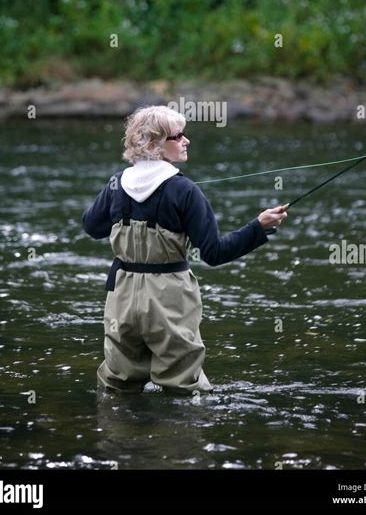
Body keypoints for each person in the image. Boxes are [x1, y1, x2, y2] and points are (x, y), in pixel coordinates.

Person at [82, 105, 288, 395]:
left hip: (121, 296)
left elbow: (92, 227)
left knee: (118, 383)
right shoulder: (185, 190)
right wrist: (258, 226)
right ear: (153, 145)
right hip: (170, 298)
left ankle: (119, 438)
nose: (186, 140)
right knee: (183, 387)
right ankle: (179, 438)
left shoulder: (117, 183)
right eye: (177, 136)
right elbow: (214, 253)